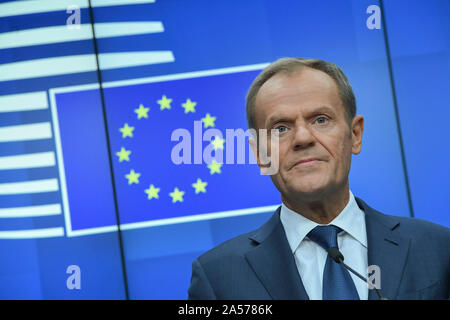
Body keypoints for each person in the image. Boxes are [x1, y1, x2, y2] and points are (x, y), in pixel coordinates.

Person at [187, 57, 450, 300]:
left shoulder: (437, 248)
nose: (303, 138)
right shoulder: (218, 277)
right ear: (259, 154)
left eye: (321, 120)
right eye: (280, 128)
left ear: (355, 134)